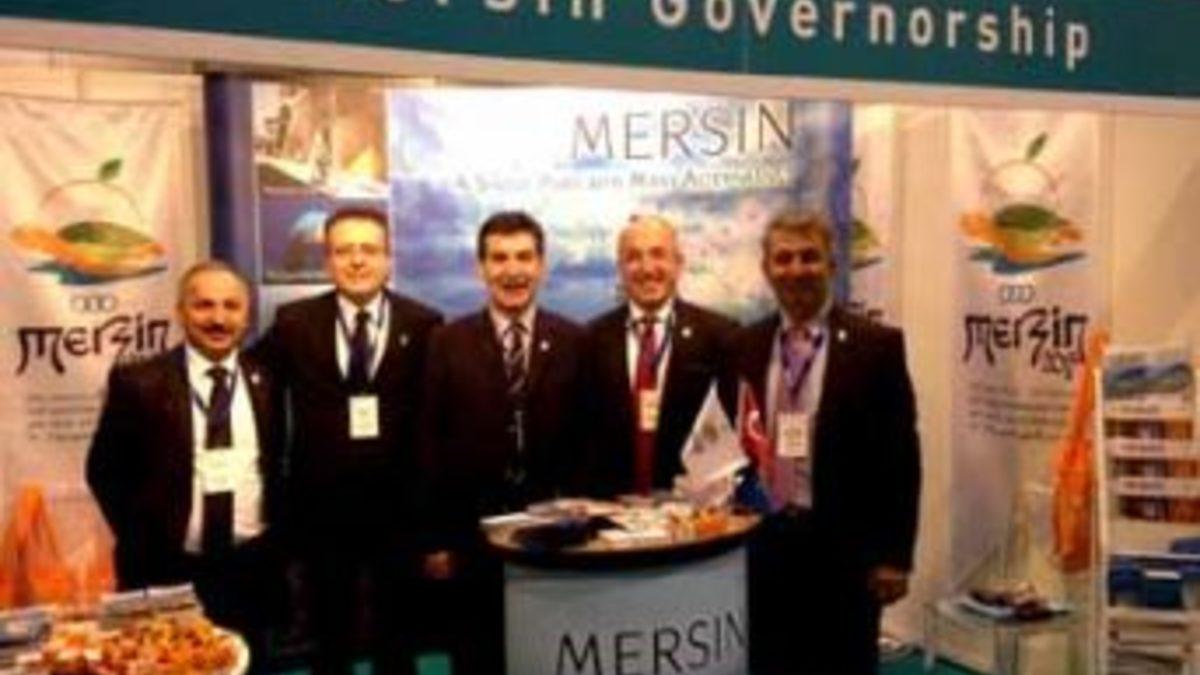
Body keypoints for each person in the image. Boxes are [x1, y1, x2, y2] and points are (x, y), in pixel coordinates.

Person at [256, 207, 442, 675]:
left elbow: (438, 419)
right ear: (327, 261)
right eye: (344, 251)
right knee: (329, 638)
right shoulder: (294, 322)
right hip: (322, 511)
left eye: (369, 250)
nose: (357, 261)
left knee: (397, 640)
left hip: (399, 511)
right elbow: (247, 378)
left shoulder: (424, 324)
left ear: (388, 259)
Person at [735, 211, 921, 675]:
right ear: (766, 269)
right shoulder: (743, 345)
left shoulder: (877, 346)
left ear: (832, 266)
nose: (796, 269)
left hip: (846, 551)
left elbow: (900, 457)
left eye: (809, 257)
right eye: (783, 259)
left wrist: (895, 556)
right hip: (763, 545)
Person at [87, 261, 285, 671]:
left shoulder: (269, 380)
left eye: (231, 306)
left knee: (251, 665)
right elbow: (103, 472)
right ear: (180, 311)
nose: (218, 318)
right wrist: (144, 537)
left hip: (251, 568)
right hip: (168, 569)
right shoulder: (138, 382)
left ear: (247, 316)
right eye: (204, 305)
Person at [420, 211, 585, 675]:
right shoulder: (445, 342)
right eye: (499, 258)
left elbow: (586, 438)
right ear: (481, 268)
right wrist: (435, 539)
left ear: (541, 265)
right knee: (477, 655)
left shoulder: (574, 340)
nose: (512, 270)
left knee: (550, 656)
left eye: (524, 257)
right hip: (471, 537)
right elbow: (428, 443)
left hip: (555, 536)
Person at [585, 214, 738, 496]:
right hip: (611, 512)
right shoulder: (590, 339)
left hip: (691, 510)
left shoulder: (721, 336)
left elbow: (730, 429)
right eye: (633, 257)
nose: (647, 269)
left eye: (658, 254)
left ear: (678, 263)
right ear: (620, 269)